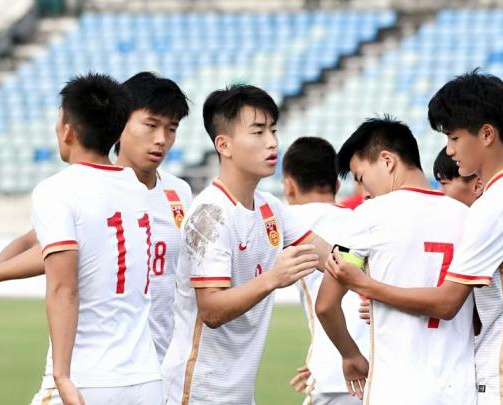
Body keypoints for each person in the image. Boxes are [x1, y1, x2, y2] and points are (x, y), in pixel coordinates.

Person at [326, 71, 503, 405]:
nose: (450, 150)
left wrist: (367, 286)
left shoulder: (494, 206)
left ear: (486, 134)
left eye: (454, 138)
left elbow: (446, 303)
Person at [0, 72, 192, 363]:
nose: (161, 139)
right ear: (121, 122)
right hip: (100, 355)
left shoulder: (179, 192)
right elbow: (36, 242)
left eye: (171, 129)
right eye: (151, 125)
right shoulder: (92, 188)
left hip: (160, 359)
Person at [160, 85, 333, 404]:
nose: (272, 142)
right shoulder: (210, 214)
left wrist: (373, 272)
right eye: (258, 131)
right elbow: (211, 310)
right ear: (223, 145)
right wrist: (272, 278)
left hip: (239, 394)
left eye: (273, 130)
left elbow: (330, 257)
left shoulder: (270, 207)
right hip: (198, 393)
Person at [316, 117, 476, 404]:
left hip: (396, 389)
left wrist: (351, 356)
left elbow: (326, 305)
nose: (364, 191)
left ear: (387, 161)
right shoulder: (467, 216)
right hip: (460, 390)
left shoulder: (369, 215)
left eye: (361, 177)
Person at [32, 73, 160, 404]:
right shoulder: (137, 188)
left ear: (68, 131)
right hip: (145, 378)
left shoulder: (56, 191)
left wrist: (62, 375)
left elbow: (63, 288)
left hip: (87, 377)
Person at [282, 137, 368, 405]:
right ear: (337, 185)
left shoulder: (288, 223)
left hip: (337, 373)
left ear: (288, 186)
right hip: (379, 368)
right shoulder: (363, 219)